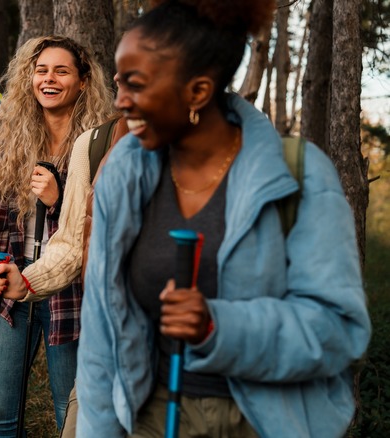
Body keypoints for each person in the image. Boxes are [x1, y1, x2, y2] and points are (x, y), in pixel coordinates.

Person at [75, 1, 372, 437]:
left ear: (197, 92)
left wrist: (217, 327)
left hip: (265, 421)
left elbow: (338, 330)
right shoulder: (123, 174)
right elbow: (102, 334)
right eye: (119, 83)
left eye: (135, 85)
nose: (120, 102)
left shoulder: (297, 174)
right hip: (153, 418)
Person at [0, 36, 112, 437]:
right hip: (13, 283)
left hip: (72, 294)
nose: (49, 79)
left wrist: (59, 198)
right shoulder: (12, 140)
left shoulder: (100, 143)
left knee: (71, 407)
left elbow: (98, 225)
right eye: (41, 70)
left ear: (83, 81)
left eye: (61, 71)